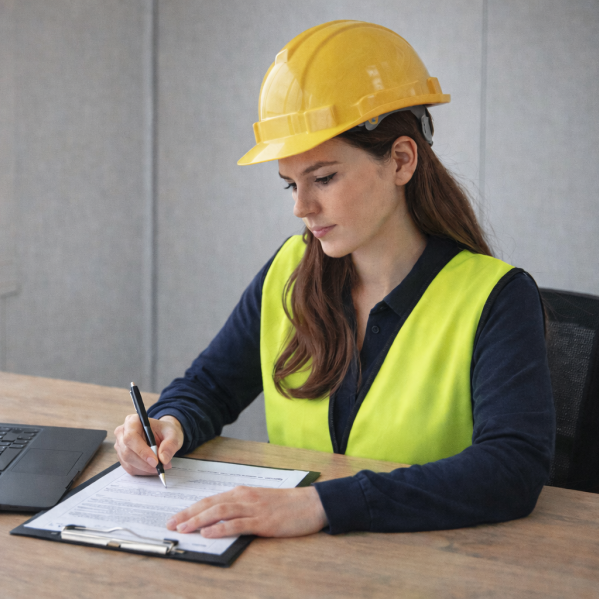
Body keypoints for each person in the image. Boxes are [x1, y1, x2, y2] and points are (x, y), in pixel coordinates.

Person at [113, 20, 555, 537]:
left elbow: (512, 469)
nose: (303, 207)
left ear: (401, 161)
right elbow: (209, 387)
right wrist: (169, 425)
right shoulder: (288, 273)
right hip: (301, 566)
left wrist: (321, 505)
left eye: (324, 178)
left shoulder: (497, 299)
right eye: (290, 185)